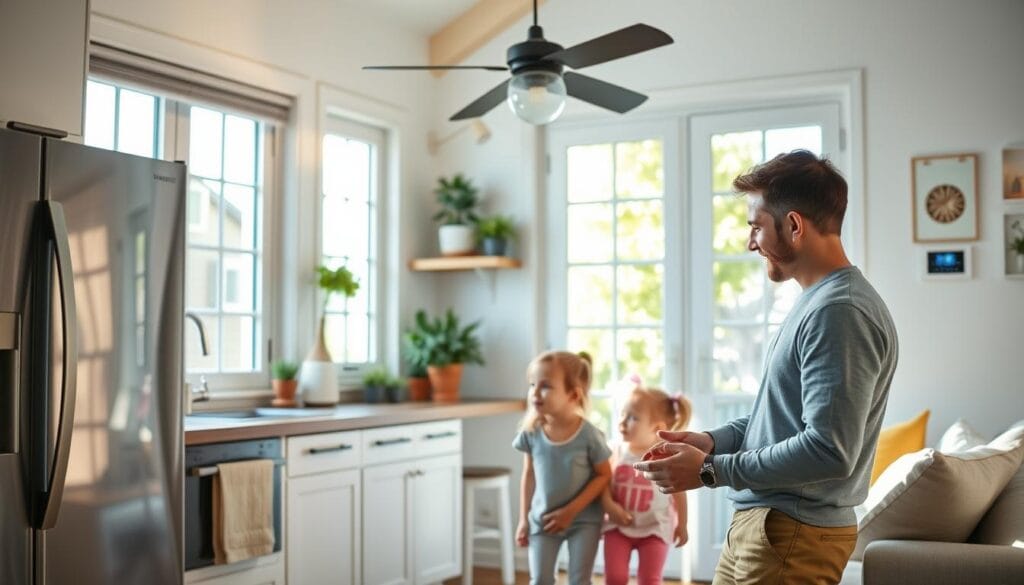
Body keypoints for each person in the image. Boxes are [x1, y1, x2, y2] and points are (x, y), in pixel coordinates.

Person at [634, 150, 899, 585]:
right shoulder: (818, 303)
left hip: (791, 533)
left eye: (756, 226)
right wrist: (711, 442)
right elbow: (778, 417)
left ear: (793, 226)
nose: (750, 243)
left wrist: (710, 470)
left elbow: (829, 450)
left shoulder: (839, 312)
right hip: (769, 526)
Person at [513, 351, 612, 585]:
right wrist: (524, 519)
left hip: (584, 522)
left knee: (579, 581)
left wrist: (570, 511)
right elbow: (528, 476)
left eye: (546, 386)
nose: (535, 392)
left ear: (573, 394)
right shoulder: (531, 433)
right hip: (543, 520)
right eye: (532, 384)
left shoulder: (589, 435)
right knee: (540, 580)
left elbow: (604, 475)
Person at [602, 385, 691, 585]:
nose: (622, 421)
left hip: (655, 528)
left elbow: (679, 492)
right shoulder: (615, 451)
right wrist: (609, 506)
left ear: (656, 427)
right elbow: (603, 483)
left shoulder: (665, 457)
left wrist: (682, 525)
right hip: (618, 527)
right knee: (615, 578)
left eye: (632, 417)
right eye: (623, 414)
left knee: (649, 580)